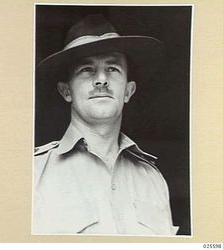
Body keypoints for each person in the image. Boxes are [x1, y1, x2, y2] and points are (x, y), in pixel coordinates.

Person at [33, 14, 179, 235]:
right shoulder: (32, 174)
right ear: (66, 91)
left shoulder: (152, 180)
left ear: (128, 91)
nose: (101, 79)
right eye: (86, 69)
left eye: (112, 69)